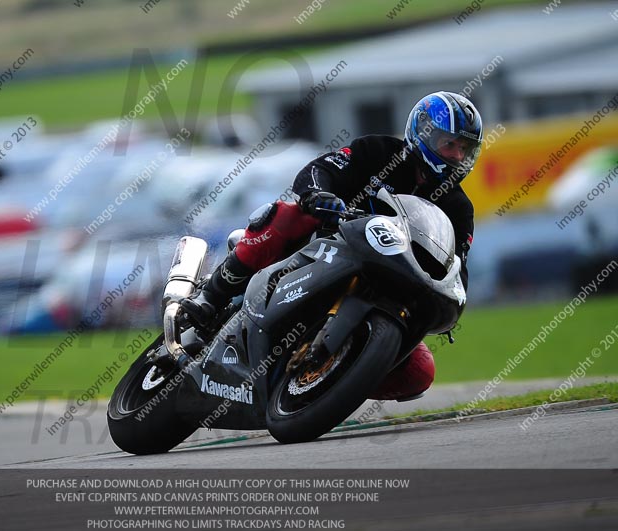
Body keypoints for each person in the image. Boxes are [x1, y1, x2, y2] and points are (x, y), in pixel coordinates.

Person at [181, 91, 482, 401]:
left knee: (419, 371)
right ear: (424, 134)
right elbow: (320, 169)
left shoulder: (458, 208)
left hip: (391, 282)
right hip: (327, 242)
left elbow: (456, 264)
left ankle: (327, 385)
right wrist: (317, 195)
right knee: (286, 214)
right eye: (450, 144)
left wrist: (446, 295)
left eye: (464, 149)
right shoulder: (379, 151)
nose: (457, 156)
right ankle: (210, 297)